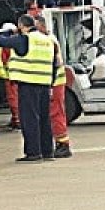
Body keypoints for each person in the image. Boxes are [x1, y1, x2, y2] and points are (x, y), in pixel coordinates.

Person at [0, 15, 58, 162]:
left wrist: (9, 31)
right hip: (44, 83)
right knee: (44, 119)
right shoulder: (47, 40)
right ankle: (48, 151)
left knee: (30, 119)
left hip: (28, 84)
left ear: (21, 26)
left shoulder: (25, 39)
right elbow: (54, 63)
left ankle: (33, 152)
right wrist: (51, 83)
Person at [35, 16, 73, 158]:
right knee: (54, 113)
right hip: (54, 81)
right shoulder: (50, 39)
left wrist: (50, 83)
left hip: (54, 82)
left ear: (42, 26)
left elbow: (55, 63)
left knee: (56, 113)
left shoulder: (48, 41)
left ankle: (63, 144)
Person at [0, 22, 20, 130]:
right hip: (20, 75)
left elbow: (4, 60)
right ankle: (16, 119)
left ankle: (17, 119)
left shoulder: (7, 46)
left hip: (11, 75)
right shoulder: (20, 42)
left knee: (13, 98)